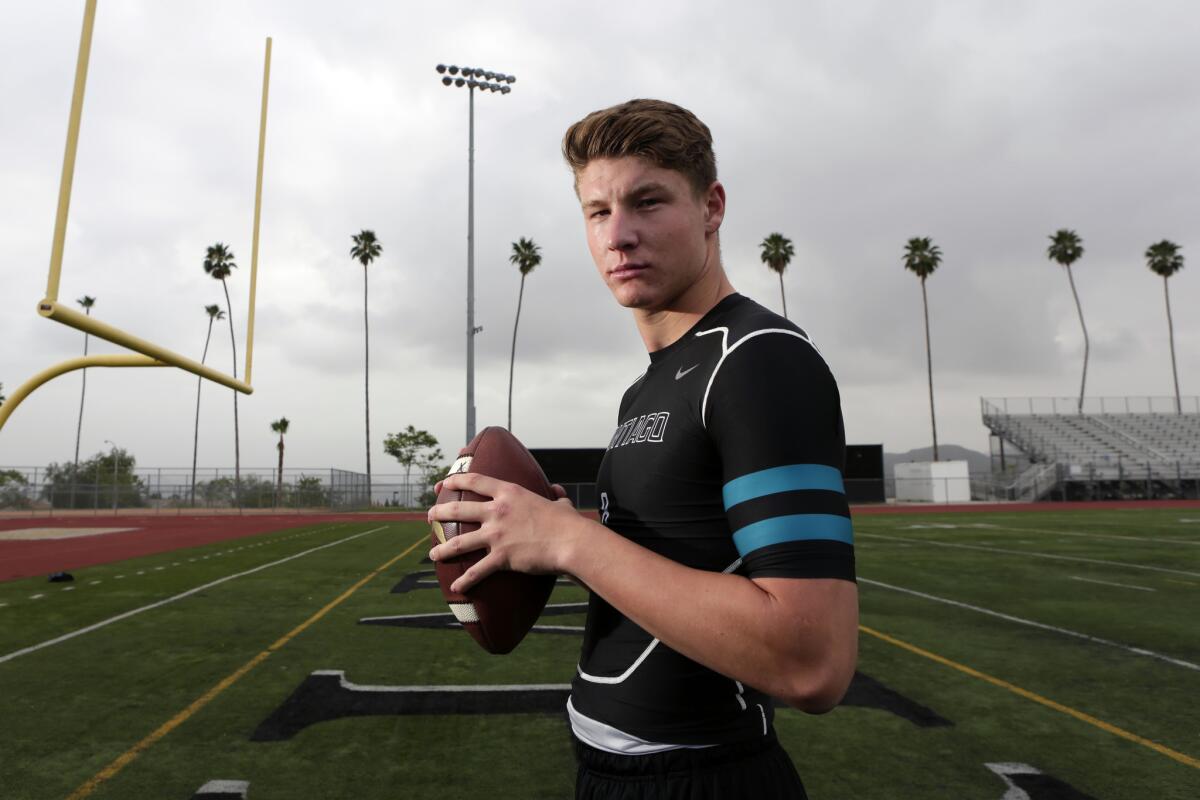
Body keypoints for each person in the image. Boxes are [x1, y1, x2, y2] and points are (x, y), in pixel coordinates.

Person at [428, 98, 858, 799]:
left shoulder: (759, 358)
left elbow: (813, 662)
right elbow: (682, 556)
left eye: (647, 202)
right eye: (597, 212)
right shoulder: (649, 387)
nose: (619, 234)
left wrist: (572, 542)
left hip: (703, 777)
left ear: (711, 207)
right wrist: (533, 536)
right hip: (615, 775)